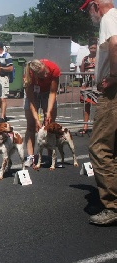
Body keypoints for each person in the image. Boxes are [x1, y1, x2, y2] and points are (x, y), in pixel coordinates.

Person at [80, 0, 117, 225]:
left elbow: (115, 44)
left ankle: (112, 205)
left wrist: (113, 76)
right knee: (113, 148)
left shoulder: (108, 18)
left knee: (99, 147)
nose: (88, 15)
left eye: (87, 10)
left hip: (113, 92)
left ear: (95, 6)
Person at [23, 59, 61, 167]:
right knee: (30, 126)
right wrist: (36, 119)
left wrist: (48, 112)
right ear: (34, 74)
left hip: (48, 93)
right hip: (34, 95)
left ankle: (50, 156)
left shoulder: (53, 69)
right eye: (41, 75)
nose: (45, 75)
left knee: (49, 125)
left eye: (45, 72)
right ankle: (31, 156)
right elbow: (31, 100)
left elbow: (53, 92)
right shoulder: (28, 75)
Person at [78, 37, 98, 135]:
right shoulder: (85, 58)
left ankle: (97, 125)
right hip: (87, 85)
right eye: (91, 48)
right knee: (86, 105)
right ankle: (85, 125)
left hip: (97, 85)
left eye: (94, 48)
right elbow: (82, 72)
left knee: (99, 106)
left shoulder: (100, 58)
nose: (93, 50)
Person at [0, 41, 13, 123]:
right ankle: (3, 114)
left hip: (3, 78)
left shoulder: (6, 56)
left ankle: (2, 117)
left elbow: (11, 68)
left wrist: (1, 68)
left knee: (3, 97)